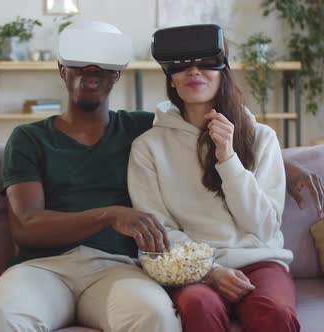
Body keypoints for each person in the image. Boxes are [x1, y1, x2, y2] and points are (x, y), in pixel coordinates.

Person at [0, 21, 324, 332]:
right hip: (42, 269)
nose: (90, 73)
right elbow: (26, 224)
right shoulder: (31, 138)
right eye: (78, 65)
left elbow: (207, 128)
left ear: (117, 75)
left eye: (102, 67)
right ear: (61, 69)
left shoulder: (141, 128)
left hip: (117, 268)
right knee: (4, 318)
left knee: (158, 318)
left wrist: (285, 163)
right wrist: (109, 215)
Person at [127, 24, 304, 332]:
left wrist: (228, 159)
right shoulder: (148, 147)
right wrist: (211, 271)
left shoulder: (261, 138)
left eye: (205, 63)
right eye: (183, 65)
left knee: (274, 313)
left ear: (223, 70)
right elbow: (160, 230)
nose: (194, 71)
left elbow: (264, 226)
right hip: (191, 268)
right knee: (199, 306)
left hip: (260, 260)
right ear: (171, 77)